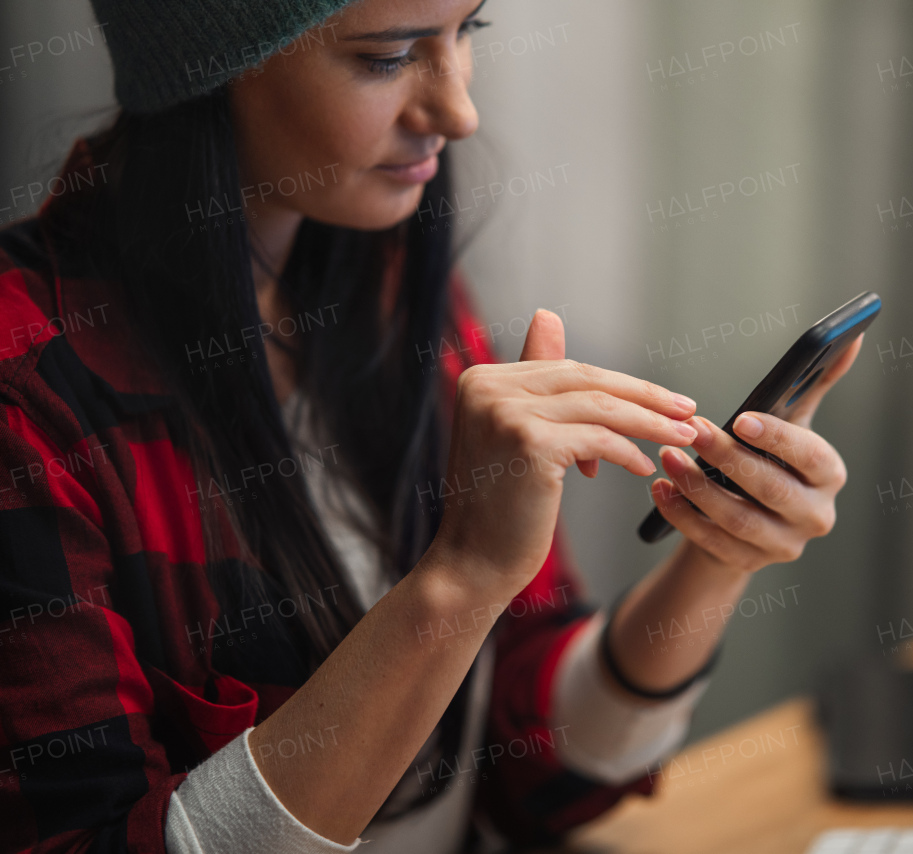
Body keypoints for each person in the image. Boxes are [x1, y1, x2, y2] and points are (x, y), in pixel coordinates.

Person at [0, 0, 862, 851]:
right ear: (205, 72)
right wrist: (462, 579)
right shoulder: (26, 393)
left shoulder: (397, 290)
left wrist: (718, 552)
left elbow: (528, 770)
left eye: (466, 32)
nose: (458, 110)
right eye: (386, 56)